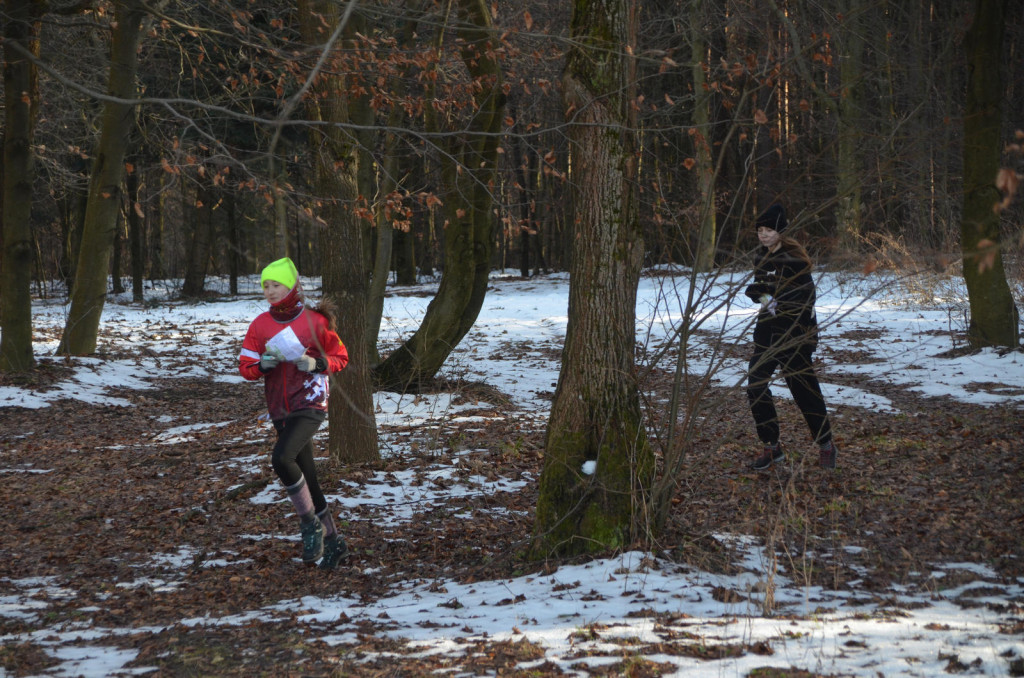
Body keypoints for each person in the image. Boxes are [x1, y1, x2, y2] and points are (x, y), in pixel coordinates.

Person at [238, 257, 351, 569]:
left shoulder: (314, 321)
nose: (271, 291)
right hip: (280, 407)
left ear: (292, 286)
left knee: (281, 458)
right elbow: (245, 366)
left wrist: (316, 364)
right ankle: (334, 542)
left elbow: (340, 356)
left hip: (310, 402)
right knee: (309, 479)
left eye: (277, 285)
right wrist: (261, 366)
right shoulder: (260, 325)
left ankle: (308, 524)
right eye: (266, 286)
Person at [744, 204, 838, 470]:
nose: (763, 235)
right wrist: (763, 297)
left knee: (803, 392)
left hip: (795, 335)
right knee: (755, 386)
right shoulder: (761, 258)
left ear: (780, 231)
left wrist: (774, 299)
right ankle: (771, 448)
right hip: (767, 333)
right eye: (760, 230)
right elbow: (761, 292)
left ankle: (826, 444)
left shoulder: (794, 259)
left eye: (769, 230)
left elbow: (805, 298)